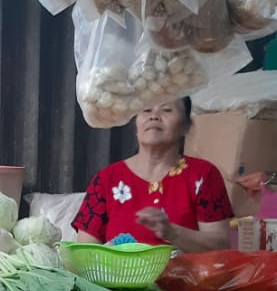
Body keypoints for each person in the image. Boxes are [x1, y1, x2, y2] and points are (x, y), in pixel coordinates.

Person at [72, 97, 232, 251]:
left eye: (167, 110)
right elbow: (85, 252)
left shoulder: (203, 175)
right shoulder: (106, 179)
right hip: (118, 278)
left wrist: (173, 232)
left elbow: (220, 244)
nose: (154, 116)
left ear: (186, 126)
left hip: (185, 278)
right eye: (146, 110)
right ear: (136, 124)